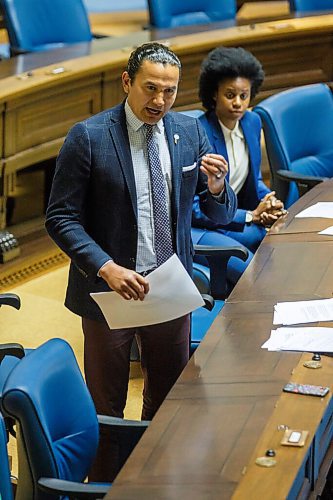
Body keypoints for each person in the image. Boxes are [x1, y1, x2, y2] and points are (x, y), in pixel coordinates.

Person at [45, 42, 237, 481]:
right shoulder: (89, 137)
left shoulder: (187, 132)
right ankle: (108, 485)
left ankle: (155, 480)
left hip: (169, 287)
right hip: (109, 292)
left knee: (169, 399)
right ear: (127, 81)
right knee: (106, 406)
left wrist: (217, 186)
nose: (159, 101)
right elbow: (60, 217)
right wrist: (105, 267)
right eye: (150, 89)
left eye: (169, 92)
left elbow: (218, 215)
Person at [192, 46, 285, 286]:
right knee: (254, 272)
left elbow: (251, 180)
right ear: (214, 94)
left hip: (233, 220)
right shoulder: (199, 134)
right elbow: (194, 207)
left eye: (244, 96)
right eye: (230, 95)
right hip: (199, 226)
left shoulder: (252, 123)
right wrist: (250, 216)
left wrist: (270, 202)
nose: (238, 103)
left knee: (277, 245)